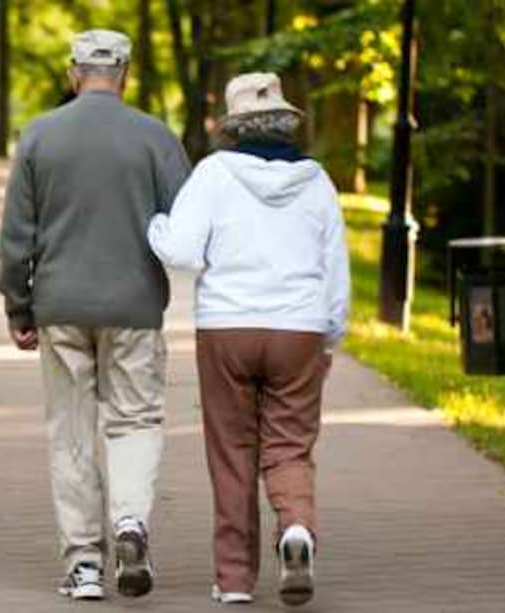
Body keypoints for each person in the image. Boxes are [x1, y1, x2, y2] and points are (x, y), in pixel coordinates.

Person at [0, 29, 190, 601]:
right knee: (134, 421)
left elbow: (16, 237)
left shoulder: (39, 137)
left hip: (60, 304)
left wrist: (17, 304)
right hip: (134, 306)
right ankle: (130, 522)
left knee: (71, 430)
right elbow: (186, 227)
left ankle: (83, 564)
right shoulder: (156, 138)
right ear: (125, 73)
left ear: (72, 73)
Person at [148, 72, 350, 607]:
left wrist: (155, 228)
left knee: (233, 452)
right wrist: (329, 338)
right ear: (287, 123)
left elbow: (186, 252)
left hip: (229, 328)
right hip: (299, 330)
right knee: (289, 447)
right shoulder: (318, 181)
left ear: (233, 126)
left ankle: (235, 580)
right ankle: (296, 530)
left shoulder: (214, 174)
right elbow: (336, 270)